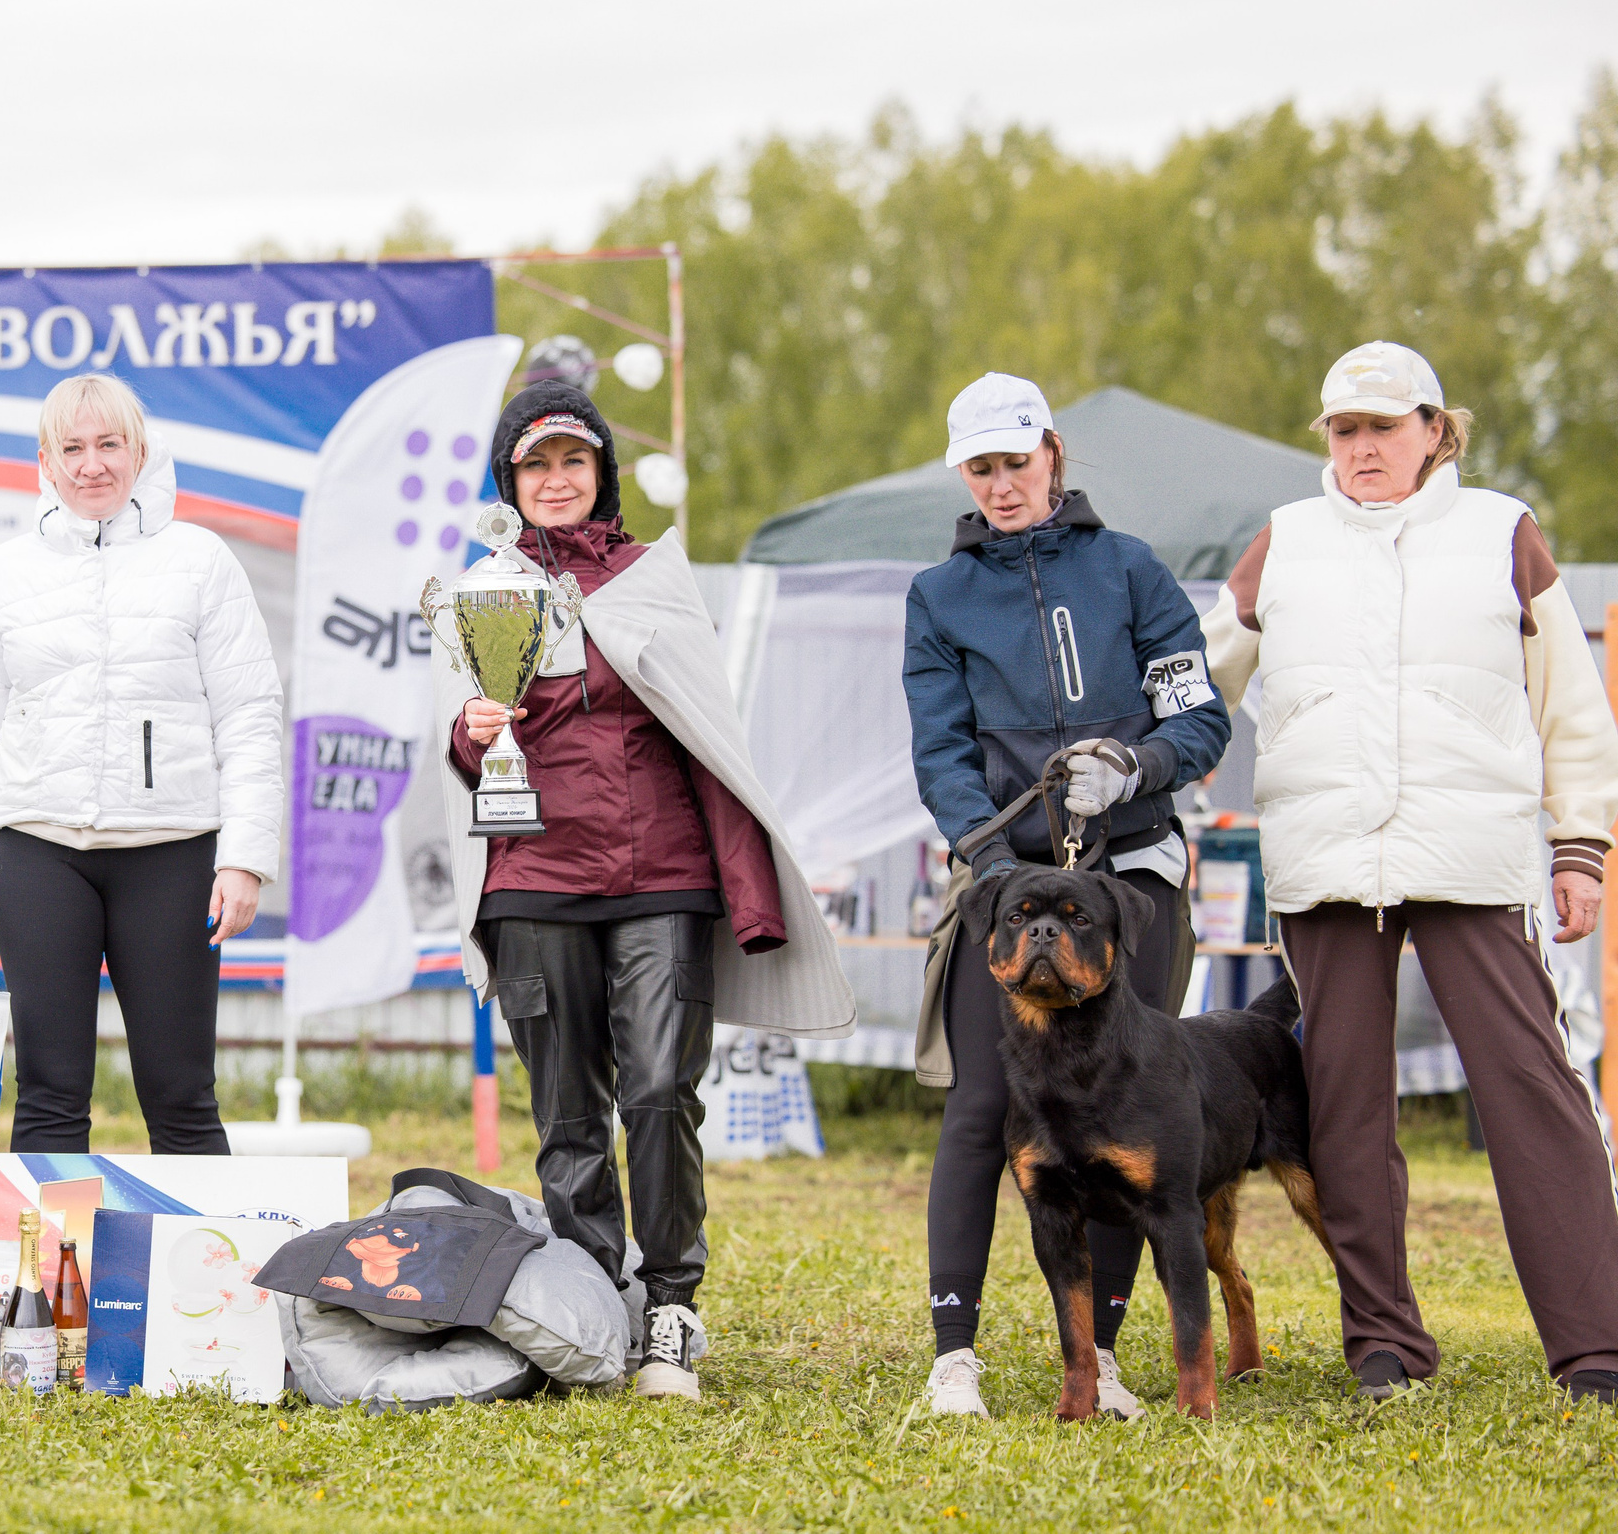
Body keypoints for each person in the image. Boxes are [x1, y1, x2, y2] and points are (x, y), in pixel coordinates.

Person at [1201, 341, 1618, 1404]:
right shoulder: (1284, 542)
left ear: (1436, 430)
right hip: (1325, 859)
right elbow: (1206, 681)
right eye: (1343, 430)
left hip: (1474, 853)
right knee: (1342, 1105)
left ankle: (1596, 1347)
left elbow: (1570, 700)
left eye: (1383, 428)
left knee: (1534, 1090)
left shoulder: (1500, 531)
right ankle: (1382, 1343)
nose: (1361, 449)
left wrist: (1579, 846)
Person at [434, 379, 852, 1401]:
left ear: (601, 472)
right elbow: (449, 733)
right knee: (569, 1112)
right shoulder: (479, 588)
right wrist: (471, 732)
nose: (557, 479)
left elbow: (709, 726)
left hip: (663, 876)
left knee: (660, 1093)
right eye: (536, 464)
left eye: (573, 460)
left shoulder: (655, 580)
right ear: (510, 482)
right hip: (531, 877)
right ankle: (590, 1307)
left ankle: (670, 1305)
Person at [901, 372, 1232, 1419]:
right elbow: (941, 754)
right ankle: (955, 1355)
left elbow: (1199, 716)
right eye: (981, 468)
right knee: (981, 1107)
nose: (1003, 484)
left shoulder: (1133, 569)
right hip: (1007, 887)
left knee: (1138, 1115)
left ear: (1051, 452)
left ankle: (1110, 1355)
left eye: (1017, 460)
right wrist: (991, 868)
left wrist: (1135, 767)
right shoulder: (936, 596)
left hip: (1131, 877)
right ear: (965, 472)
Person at [0, 373, 282, 1155]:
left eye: (109, 445)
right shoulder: (1, 575)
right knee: (48, 1095)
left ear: (140, 452)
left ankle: (207, 1279)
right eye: (73, 448)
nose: (92, 465)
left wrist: (246, 857)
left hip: (174, 851)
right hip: (39, 850)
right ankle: (45, 1282)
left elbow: (250, 716)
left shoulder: (202, 561)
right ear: (45, 461)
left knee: (181, 1094)